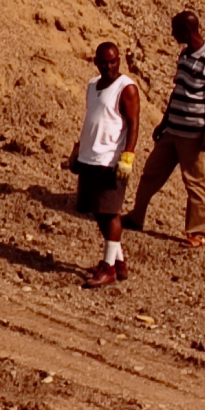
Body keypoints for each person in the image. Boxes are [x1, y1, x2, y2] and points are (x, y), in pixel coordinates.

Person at [127, 8, 205, 246]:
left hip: (193, 132)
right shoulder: (184, 56)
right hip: (173, 129)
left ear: (187, 30)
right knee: (151, 173)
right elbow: (178, 90)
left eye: (175, 30)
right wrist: (164, 122)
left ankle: (197, 233)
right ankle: (135, 217)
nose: (172, 34)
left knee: (196, 183)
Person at [69, 41, 144, 287]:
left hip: (110, 160)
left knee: (110, 213)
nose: (110, 66)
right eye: (105, 62)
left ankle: (109, 267)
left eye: (114, 61)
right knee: (98, 213)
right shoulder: (92, 86)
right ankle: (119, 264)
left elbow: (133, 123)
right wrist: (78, 150)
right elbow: (91, 119)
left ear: (119, 60)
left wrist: (128, 156)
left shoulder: (127, 88)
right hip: (90, 157)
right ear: (97, 62)